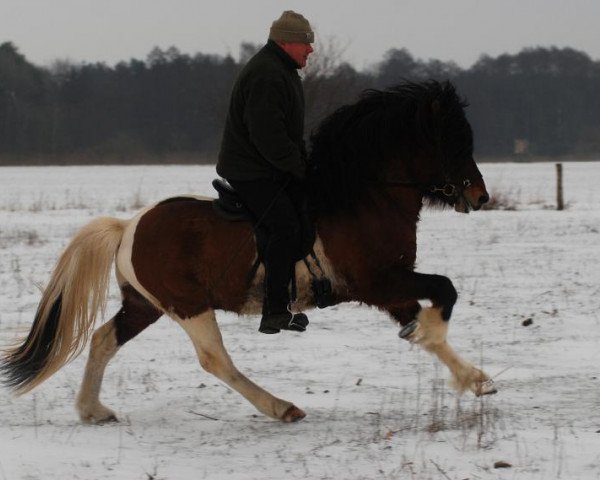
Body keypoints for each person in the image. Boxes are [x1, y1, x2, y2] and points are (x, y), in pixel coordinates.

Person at [216, 10, 315, 334]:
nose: (310, 50)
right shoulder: (268, 75)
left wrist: (305, 168)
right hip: (250, 170)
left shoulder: (281, 71)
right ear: (286, 42)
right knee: (285, 227)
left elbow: (285, 135)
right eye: (305, 43)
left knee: (304, 214)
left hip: (268, 166)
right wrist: (298, 169)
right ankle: (273, 311)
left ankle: (296, 297)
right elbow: (267, 135)